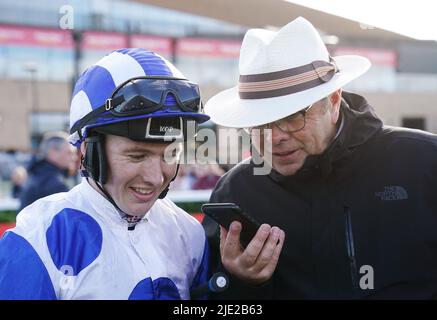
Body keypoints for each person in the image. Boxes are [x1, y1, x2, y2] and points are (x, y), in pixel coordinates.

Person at [202, 17, 437, 299]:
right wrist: (241, 283)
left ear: (334, 100)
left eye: (292, 117)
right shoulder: (235, 191)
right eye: (260, 121)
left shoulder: (424, 162)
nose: (275, 137)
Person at [0, 48, 210, 299]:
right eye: (136, 156)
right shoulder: (36, 240)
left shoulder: (190, 233)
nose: (155, 177)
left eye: (170, 155)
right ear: (89, 151)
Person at [18, 131, 75, 210]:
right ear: (53, 152)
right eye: (69, 152)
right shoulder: (54, 183)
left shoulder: (35, 173)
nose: (73, 157)